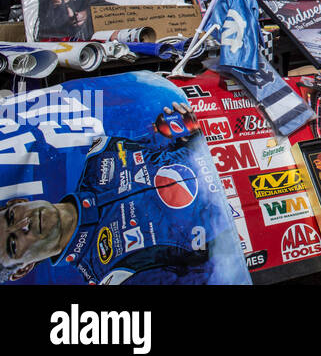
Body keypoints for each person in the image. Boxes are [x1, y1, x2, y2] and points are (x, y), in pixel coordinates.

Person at [0, 103, 211, 285]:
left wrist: (188, 131)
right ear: (23, 270)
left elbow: (183, 139)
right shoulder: (115, 274)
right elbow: (220, 271)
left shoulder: (101, 152)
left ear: (18, 201)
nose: (23, 224)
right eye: (13, 243)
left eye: (12, 216)